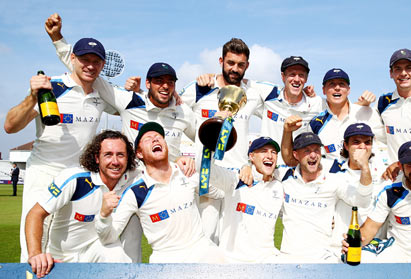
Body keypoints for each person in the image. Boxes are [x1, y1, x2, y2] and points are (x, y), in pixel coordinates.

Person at [45, 13, 196, 262]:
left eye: (170, 82)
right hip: (132, 184)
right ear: (148, 83)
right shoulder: (131, 101)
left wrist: (188, 159)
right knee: (124, 248)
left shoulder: (183, 112)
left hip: (171, 186)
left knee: (178, 242)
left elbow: (203, 137)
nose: (165, 86)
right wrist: (58, 40)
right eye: (158, 81)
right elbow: (90, 73)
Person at [4, 34, 114, 262]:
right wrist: (31, 97)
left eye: (96, 61)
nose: (90, 66)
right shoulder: (52, 88)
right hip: (45, 172)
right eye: (85, 59)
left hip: (77, 178)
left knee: (66, 244)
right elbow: (10, 126)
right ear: (72, 58)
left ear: (102, 65)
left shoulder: (101, 96)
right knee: (34, 244)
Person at [179, 38, 275, 243]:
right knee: (205, 240)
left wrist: (309, 96)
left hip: (237, 181)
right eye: (230, 63)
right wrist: (176, 156)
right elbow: (169, 108)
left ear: (247, 66)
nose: (235, 69)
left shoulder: (253, 94)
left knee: (235, 241)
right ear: (221, 61)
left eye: (241, 65)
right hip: (207, 177)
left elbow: (283, 100)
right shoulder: (200, 88)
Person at [96, 122, 225, 263]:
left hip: (203, 251)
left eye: (158, 136)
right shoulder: (135, 193)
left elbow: (221, 194)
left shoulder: (187, 173)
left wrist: (244, 170)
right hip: (167, 259)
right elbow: (108, 236)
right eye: (148, 139)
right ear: (139, 153)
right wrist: (103, 215)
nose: (155, 139)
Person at [25, 130, 134, 278]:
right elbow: (35, 214)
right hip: (61, 260)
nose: (115, 161)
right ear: (97, 158)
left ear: (128, 158)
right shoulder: (74, 178)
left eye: (120, 155)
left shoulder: (131, 181)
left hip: (95, 254)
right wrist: (36, 254)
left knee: (114, 252)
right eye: (108, 154)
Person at [342, 140, 411, 262]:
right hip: (399, 259)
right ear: (400, 165)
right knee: (354, 258)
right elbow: (369, 229)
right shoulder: (390, 193)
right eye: (410, 164)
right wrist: (351, 243)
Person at [279, 129, 373, 263]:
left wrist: (364, 168)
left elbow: (362, 201)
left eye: (316, 150)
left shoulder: (333, 180)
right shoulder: (284, 177)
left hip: (322, 259)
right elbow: (260, 173)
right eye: (307, 151)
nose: (313, 155)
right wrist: (247, 168)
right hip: (287, 257)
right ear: (296, 155)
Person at [281, 68, 385, 165]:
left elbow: (385, 146)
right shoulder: (315, 124)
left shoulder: (368, 112)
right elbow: (293, 160)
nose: (337, 88)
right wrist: (287, 132)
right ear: (323, 90)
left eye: (342, 84)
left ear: (348, 90)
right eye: (331, 84)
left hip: (366, 181)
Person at [207, 136, 283, 263]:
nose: (270, 156)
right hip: (232, 261)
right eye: (264, 151)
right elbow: (205, 169)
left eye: (273, 152)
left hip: (267, 261)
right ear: (251, 156)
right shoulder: (236, 180)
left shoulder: (279, 186)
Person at [329, 123, 387, 255]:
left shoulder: (383, 171)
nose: (362, 147)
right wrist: (364, 168)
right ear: (346, 146)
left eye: (367, 142)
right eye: (356, 142)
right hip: (342, 250)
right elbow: (361, 202)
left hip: (376, 251)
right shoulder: (337, 174)